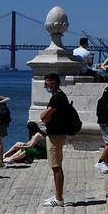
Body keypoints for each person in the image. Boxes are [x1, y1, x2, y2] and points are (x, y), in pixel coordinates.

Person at [39, 73, 70, 207]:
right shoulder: (59, 95)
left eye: (46, 83)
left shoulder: (57, 97)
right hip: (58, 133)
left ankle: (58, 198)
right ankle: (57, 195)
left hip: (55, 135)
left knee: (56, 166)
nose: (45, 86)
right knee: (56, 165)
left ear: (54, 83)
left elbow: (44, 116)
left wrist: (44, 116)